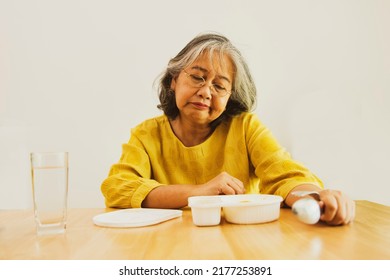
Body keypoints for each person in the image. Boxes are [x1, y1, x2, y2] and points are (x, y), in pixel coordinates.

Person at [101, 32, 355, 226]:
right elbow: (118, 187)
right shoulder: (146, 135)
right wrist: (199, 193)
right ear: (174, 80)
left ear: (230, 97)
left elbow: (288, 177)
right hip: (169, 245)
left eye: (219, 86)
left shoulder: (246, 127)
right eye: (197, 77)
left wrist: (316, 197)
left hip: (241, 245)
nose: (205, 92)